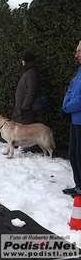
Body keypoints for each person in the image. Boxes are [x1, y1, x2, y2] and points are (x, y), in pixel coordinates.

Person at [62, 41, 81, 197]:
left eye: (80, 51)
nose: (76, 55)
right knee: (73, 154)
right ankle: (79, 186)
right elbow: (70, 88)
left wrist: (67, 108)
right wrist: (65, 106)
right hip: (75, 120)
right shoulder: (79, 71)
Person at [11, 52, 40, 153]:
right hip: (21, 104)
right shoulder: (28, 71)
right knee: (20, 124)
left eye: (23, 59)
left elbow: (32, 91)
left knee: (27, 126)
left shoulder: (31, 72)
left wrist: (25, 105)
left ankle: (29, 146)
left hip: (25, 106)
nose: (22, 61)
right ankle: (21, 144)